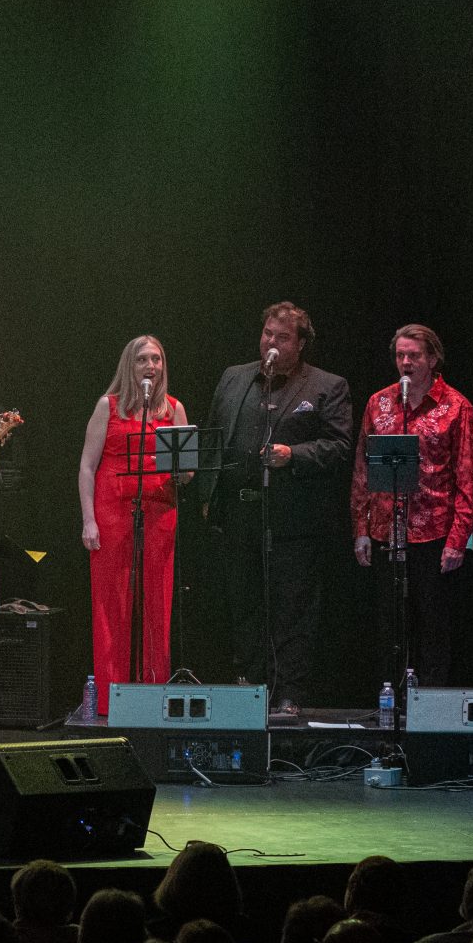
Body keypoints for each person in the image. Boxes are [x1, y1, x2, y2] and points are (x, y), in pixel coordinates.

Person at [196, 302, 353, 715]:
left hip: (293, 520)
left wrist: (293, 454)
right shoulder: (235, 377)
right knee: (244, 604)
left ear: (300, 344)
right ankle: (249, 685)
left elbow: (340, 446)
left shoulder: (326, 385)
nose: (272, 342)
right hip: (239, 514)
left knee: (292, 608)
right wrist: (208, 495)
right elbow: (213, 437)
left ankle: (289, 694)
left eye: (283, 337)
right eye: (268, 333)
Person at [349, 324, 473, 686]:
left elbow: (467, 476)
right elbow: (362, 469)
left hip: (435, 531)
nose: (405, 362)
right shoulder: (378, 402)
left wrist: (458, 539)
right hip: (386, 530)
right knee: (391, 623)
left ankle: (432, 700)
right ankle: (392, 698)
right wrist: (360, 528)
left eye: (414, 355)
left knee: (434, 622)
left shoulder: (457, 406)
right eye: (400, 355)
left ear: (433, 359)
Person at [79, 336, 190, 698]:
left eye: (156, 359)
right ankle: (113, 694)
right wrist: (88, 520)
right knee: (113, 602)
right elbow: (87, 466)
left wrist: (181, 472)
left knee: (155, 600)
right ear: (129, 365)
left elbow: (187, 471)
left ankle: (153, 693)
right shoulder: (108, 406)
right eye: (142, 359)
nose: (150, 366)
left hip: (158, 512)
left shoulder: (173, 409)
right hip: (111, 511)